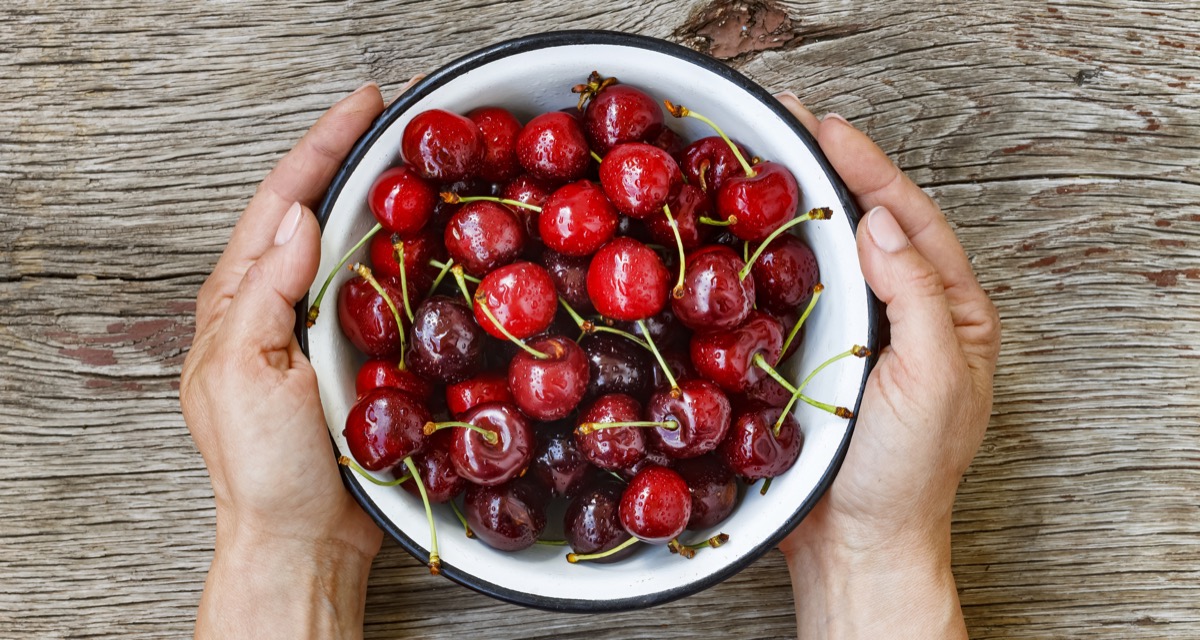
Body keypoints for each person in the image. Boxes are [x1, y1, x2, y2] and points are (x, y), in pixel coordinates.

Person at [180, 82, 1000, 639]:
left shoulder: (666, 319)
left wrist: (284, 551)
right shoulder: (481, 328)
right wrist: (873, 558)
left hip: (646, 368)